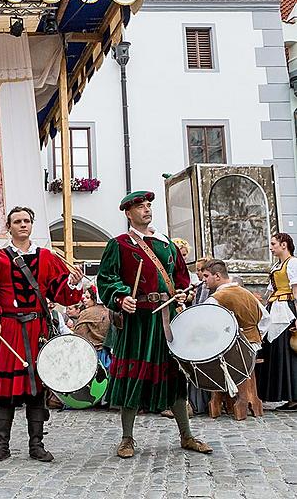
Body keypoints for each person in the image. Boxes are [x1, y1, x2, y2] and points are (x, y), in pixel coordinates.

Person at [96, 191, 212, 459]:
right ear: (128, 213)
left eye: (149, 205)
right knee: (133, 376)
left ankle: (186, 435)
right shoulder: (121, 244)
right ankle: (127, 438)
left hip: (167, 319)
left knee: (174, 376)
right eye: (140, 207)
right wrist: (122, 297)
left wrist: (184, 292)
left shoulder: (167, 244)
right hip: (138, 322)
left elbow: (181, 277)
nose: (147, 210)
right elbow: (106, 279)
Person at [0, 206, 84, 462]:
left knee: (36, 388)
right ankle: (1, 445)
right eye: (17, 221)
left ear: (32, 225)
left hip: (37, 331)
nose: (23, 225)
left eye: (27, 221)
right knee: (3, 389)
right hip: (7, 330)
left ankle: (37, 444)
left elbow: (60, 294)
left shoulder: (47, 257)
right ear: (9, 227)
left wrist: (73, 282)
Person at [256, 232, 297, 409]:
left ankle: (294, 396)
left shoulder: (293, 263)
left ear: (284, 244)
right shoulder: (276, 266)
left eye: (273, 244)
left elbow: (296, 291)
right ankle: (286, 395)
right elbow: (271, 291)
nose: (271, 247)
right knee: (277, 351)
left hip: (287, 310)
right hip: (275, 309)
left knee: (289, 351)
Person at [203, 259, 269, 350]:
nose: (204, 280)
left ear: (217, 276)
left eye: (206, 276)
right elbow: (266, 318)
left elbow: (206, 326)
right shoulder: (247, 293)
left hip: (233, 349)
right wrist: (255, 336)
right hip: (254, 347)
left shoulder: (216, 299)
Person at [72, 287, 111, 369]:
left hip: (90, 353)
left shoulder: (86, 313)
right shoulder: (109, 312)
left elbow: (78, 336)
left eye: (87, 297)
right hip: (106, 355)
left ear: (95, 298)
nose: (84, 300)